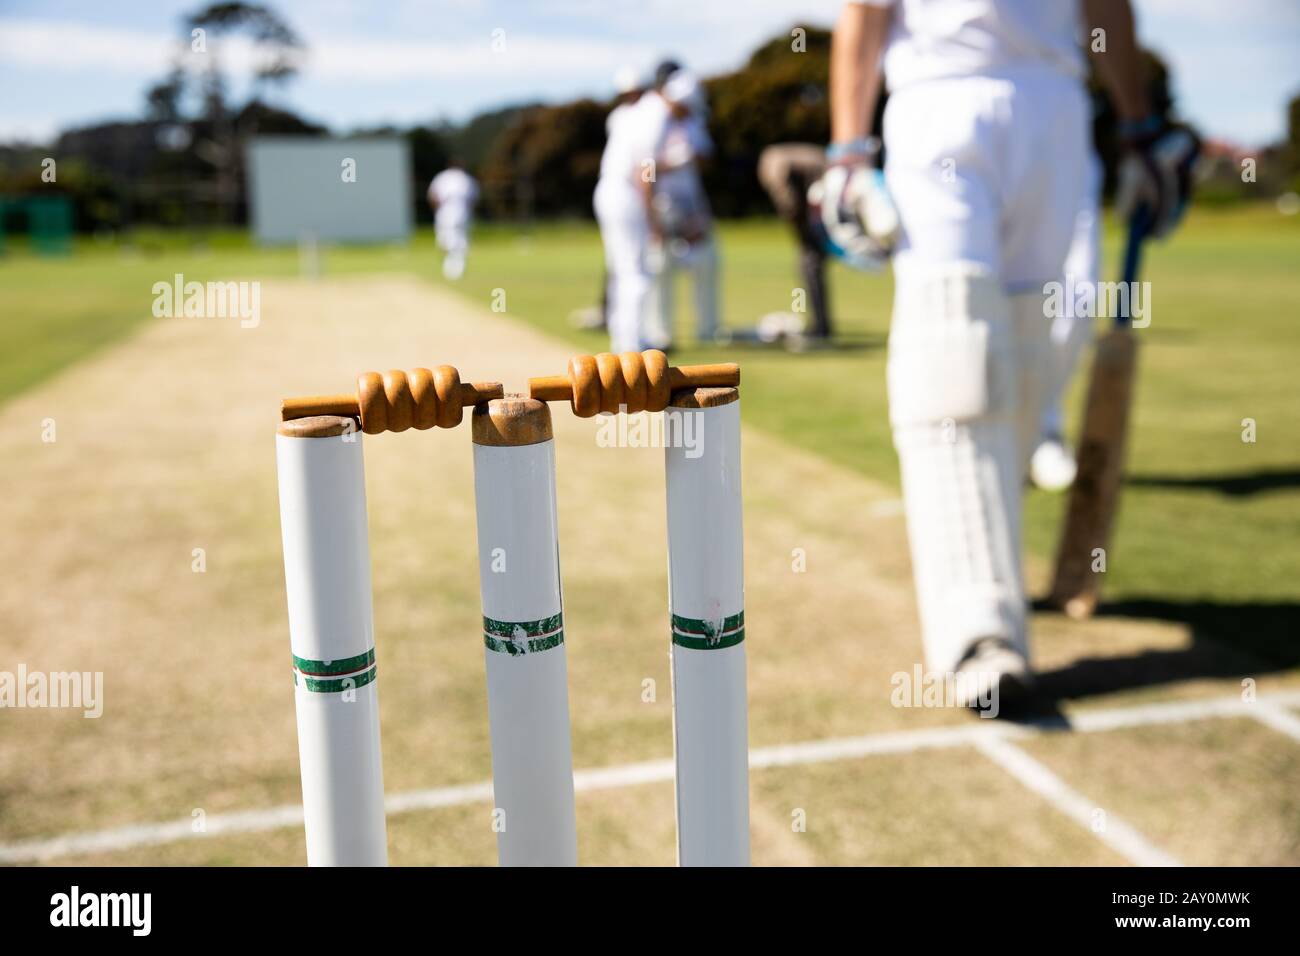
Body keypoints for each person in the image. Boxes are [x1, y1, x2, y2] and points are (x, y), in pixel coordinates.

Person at [827, 0, 1195, 706]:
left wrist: (1138, 126)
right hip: (938, 99)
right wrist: (848, 149)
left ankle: (1012, 495)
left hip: (1054, 104)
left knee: (1049, 336)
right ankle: (979, 631)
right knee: (952, 350)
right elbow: (867, 9)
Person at [593, 61, 697, 354]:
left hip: (612, 190)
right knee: (636, 271)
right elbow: (644, 171)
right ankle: (630, 345)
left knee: (622, 269)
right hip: (624, 194)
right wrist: (654, 220)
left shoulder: (642, 110)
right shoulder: (657, 115)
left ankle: (627, 338)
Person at [645, 69, 720, 349]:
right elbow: (644, 170)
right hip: (662, 203)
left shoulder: (693, 121)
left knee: (707, 261)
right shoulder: (653, 120)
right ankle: (659, 333)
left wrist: (695, 157)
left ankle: (708, 328)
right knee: (660, 266)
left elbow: (708, 159)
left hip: (693, 203)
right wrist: (652, 218)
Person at [758, 143, 831, 339]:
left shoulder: (774, 166)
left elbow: (788, 203)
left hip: (826, 200)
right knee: (808, 264)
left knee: (808, 264)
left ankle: (820, 328)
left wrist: (800, 233)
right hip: (823, 195)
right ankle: (819, 324)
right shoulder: (777, 159)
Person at [427, 159, 479, 280]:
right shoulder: (466, 178)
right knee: (456, 239)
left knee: (451, 239)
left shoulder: (442, 177)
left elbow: (433, 196)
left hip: (446, 211)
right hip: (461, 211)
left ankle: (454, 267)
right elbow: (473, 199)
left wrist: (436, 210)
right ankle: (455, 265)